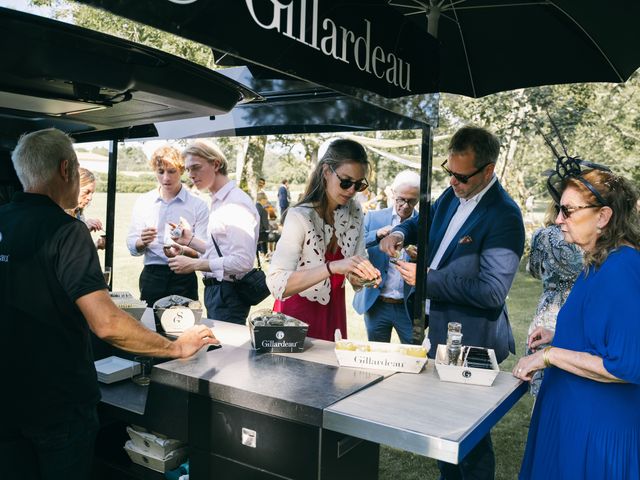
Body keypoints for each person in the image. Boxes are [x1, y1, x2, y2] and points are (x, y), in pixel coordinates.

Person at [0, 128, 218, 480]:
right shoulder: (66, 230)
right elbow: (107, 323)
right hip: (57, 405)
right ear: (66, 169)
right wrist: (176, 348)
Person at [380, 125, 525, 480]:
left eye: (461, 176)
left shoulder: (504, 215)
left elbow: (492, 290)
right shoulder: (451, 195)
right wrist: (401, 232)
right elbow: (421, 221)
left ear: (488, 170)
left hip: (472, 340)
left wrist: (428, 279)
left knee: (471, 441)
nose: (454, 182)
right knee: (445, 431)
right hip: (440, 332)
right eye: (450, 172)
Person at [514, 167, 640, 479]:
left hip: (595, 433)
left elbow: (624, 365)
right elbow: (604, 334)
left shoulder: (622, 268)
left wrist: (549, 355)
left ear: (603, 216)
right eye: (559, 209)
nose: (558, 219)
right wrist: (558, 335)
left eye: (568, 210)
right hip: (573, 418)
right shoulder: (599, 261)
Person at [266, 139, 381, 341]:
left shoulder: (354, 211)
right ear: (327, 171)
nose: (352, 190)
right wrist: (333, 267)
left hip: (334, 314)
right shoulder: (300, 216)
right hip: (297, 316)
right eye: (346, 181)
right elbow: (277, 284)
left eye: (359, 184)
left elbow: (355, 265)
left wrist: (363, 276)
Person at [167, 140, 259, 324]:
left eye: (196, 168)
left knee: (226, 352)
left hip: (229, 294)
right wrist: (190, 240)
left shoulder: (235, 203)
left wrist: (194, 265)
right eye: (188, 170)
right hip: (219, 292)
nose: (191, 175)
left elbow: (242, 261)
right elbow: (223, 250)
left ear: (216, 164)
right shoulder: (219, 201)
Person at [126, 145, 209, 307]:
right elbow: (132, 245)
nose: (166, 178)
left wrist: (184, 249)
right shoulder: (144, 202)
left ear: (182, 170)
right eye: (160, 172)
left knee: (186, 326)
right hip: (152, 274)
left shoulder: (198, 205)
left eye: (171, 171)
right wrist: (142, 241)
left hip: (184, 272)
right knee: (150, 325)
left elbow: (205, 249)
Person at [353, 170, 420, 345]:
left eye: (412, 201)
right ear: (392, 194)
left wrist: (420, 257)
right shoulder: (374, 217)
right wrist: (376, 235)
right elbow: (355, 245)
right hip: (377, 303)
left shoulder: (424, 222)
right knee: (376, 358)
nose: (405, 205)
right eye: (401, 199)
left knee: (414, 357)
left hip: (408, 307)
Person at [525, 200, 583, 396]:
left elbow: (534, 270)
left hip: (551, 308)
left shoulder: (542, 236)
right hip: (579, 304)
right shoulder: (596, 239)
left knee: (544, 383)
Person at [66, 167, 106, 249]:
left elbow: (78, 252)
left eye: (92, 193)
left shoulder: (78, 213)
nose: (90, 198)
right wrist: (84, 227)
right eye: (86, 192)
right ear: (73, 188)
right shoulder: (58, 213)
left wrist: (97, 245)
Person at [256, 191, 271, 257]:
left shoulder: (254, 207)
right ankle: (266, 253)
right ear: (262, 200)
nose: (266, 201)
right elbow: (266, 226)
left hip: (254, 232)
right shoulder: (263, 210)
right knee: (277, 236)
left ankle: (261, 252)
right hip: (261, 233)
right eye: (266, 199)